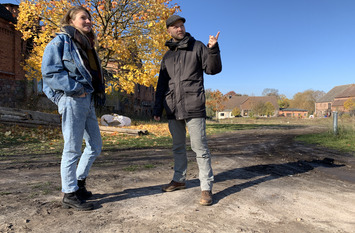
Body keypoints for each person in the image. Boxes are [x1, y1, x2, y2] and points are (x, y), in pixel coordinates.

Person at [41, 6, 105, 211]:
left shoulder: (87, 46)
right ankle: (69, 193)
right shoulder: (61, 41)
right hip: (73, 98)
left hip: (87, 101)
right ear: (71, 21)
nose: (88, 21)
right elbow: (50, 73)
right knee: (72, 148)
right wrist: (76, 90)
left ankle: (78, 183)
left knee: (95, 144)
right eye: (83, 18)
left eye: (89, 18)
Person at [153, 15, 222, 206]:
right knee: (178, 147)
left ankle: (206, 188)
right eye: (175, 26)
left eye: (181, 25)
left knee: (200, 149)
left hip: (193, 106)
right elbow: (161, 85)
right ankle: (179, 179)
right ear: (169, 31)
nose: (179, 28)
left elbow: (212, 69)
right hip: (172, 107)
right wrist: (158, 107)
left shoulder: (197, 46)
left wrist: (213, 49)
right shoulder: (167, 56)